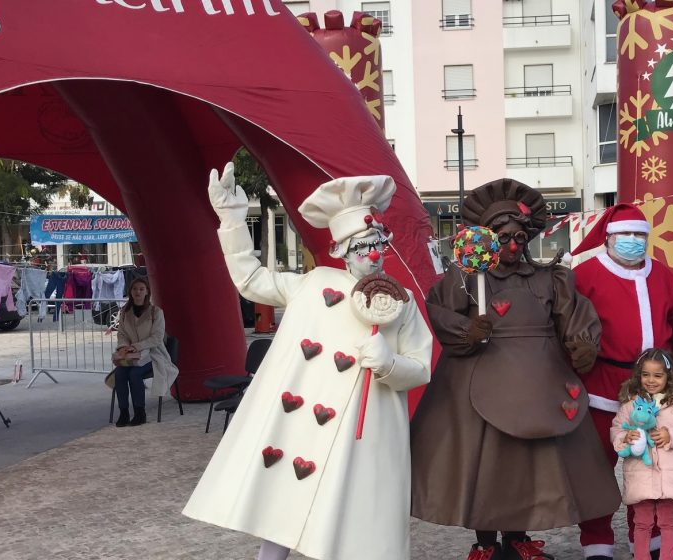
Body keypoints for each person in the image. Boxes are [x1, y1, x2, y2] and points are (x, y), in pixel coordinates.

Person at [183, 164, 432, 560]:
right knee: (283, 505)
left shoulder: (399, 299)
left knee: (353, 517)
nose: (372, 254)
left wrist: (388, 363)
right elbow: (251, 280)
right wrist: (231, 219)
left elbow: (421, 367)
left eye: (377, 243)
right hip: (301, 425)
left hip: (362, 431)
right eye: (360, 246)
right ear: (339, 251)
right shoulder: (312, 285)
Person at [411, 178, 621, 560]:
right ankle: (486, 542)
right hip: (478, 384)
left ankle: (518, 537)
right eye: (502, 237)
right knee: (485, 464)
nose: (511, 246)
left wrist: (583, 344)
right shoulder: (465, 278)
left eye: (519, 239)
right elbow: (438, 311)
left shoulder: (550, 277)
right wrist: (467, 329)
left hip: (538, 385)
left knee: (527, 465)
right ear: (486, 239)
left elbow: (572, 315)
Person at [571, 204, 673, 560]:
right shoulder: (584, 275)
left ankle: (647, 541)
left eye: (640, 235)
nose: (633, 242)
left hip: (653, 388)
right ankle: (596, 543)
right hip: (601, 385)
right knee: (597, 469)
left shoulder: (664, 275)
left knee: (649, 470)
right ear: (608, 238)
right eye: (626, 235)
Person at [610, 348, 673, 560]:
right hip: (641, 474)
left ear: (668, 377)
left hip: (670, 477)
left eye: (657, 375)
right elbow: (616, 429)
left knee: (668, 523)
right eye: (646, 374)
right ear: (638, 375)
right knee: (641, 523)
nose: (651, 380)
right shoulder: (630, 406)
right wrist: (625, 437)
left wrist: (672, 436)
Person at [109, 277, 178, 427]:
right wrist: (123, 347)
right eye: (135, 289)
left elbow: (157, 338)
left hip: (153, 354)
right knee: (120, 374)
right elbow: (122, 333)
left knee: (135, 374)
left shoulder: (156, 312)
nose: (138, 292)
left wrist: (137, 346)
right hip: (132, 355)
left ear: (147, 292)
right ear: (130, 292)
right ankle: (124, 412)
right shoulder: (125, 312)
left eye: (141, 289)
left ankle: (140, 412)